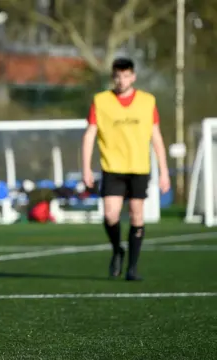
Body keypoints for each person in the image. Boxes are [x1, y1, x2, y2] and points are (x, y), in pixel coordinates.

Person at [82, 57, 170, 281]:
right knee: (111, 215)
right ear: (113, 77)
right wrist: (86, 168)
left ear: (133, 77)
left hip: (139, 168)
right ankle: (117, 250)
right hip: (112, 167)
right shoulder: (101, 101)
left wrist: (164, 171)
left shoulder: (147, 101)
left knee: (136, 215)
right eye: (118, 76)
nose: (122, 80)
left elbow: (156, 136)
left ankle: (132, 268)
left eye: (126, 76)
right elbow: (90, 134)